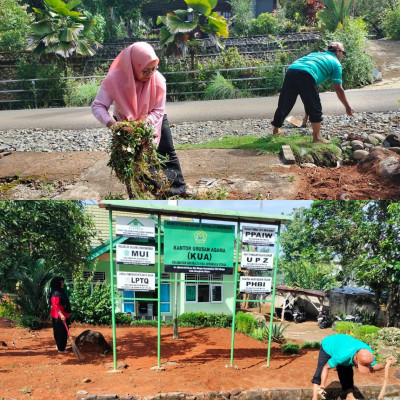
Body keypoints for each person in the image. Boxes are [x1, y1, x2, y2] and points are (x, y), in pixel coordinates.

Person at [91, 42, 188, 196]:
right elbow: (97, 106)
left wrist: (145, 123)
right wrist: (113, 125)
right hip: (124, 124)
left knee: (167, 152)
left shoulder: (158, 80)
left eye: (153, 68)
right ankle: (141, 193)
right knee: (133, 160)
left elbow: (159, 110)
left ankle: (178, 189)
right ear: (134, 66)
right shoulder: (115, 79)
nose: (150, 74)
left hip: (154, 119)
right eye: (145, 70)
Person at [271, 42, 354, 143]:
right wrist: (347, 107)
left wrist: (305, 119)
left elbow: (308, 98)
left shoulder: (316, 54)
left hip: (292, 70)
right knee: (315, 106)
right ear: (338, 52)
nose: (342, 56)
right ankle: (317, 138)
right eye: (343, 53)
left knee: (285, 103)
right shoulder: (336, 63)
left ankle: (276, 130)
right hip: (306, 73)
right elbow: (339, 89)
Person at [312, 334, 396, 400]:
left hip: (343, 346)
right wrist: (322, 385)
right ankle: (314, 398)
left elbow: (373, 368)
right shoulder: (342, 355)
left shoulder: (368, 353)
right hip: (329, 345)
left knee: (347, 372)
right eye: (360, 365)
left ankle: (350, 397)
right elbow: (326, 367)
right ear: (355, 357)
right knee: (320, 371)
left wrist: (384, 364)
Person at [49, 276, 71, 354]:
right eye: (61, 282)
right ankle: (61, 349)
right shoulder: (55, 293)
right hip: (58, 316)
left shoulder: (60, 291)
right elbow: (55, 305)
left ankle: (59, 346)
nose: (63, 284)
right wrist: (61, 315)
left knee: (62, 332)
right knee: (60, 332)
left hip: (63, 315)